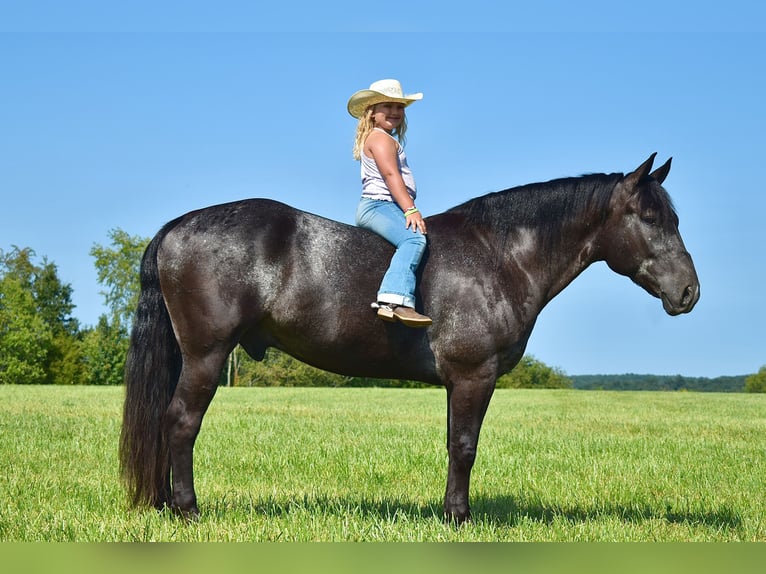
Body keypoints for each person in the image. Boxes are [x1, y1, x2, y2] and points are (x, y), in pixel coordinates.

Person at [348, 78, 432, 328]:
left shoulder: (382, 137)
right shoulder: (381, 139)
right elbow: (391, 176)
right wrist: (411, 209)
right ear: (372, 112)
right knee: (414, 239)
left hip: (383, 205)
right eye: (388, 106)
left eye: (400, 107)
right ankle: (394, 300)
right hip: (378, 205)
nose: (395, 112)